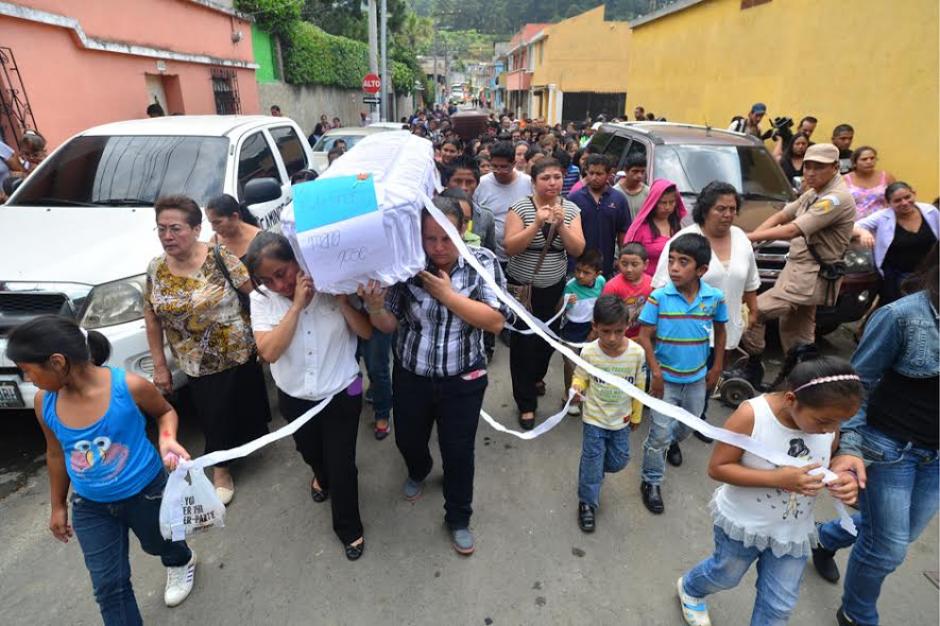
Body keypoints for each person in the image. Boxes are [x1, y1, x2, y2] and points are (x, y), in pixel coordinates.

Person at [7, 316, 197, 623]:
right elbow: (55, 454)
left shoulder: (129, 386)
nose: (28, 379)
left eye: (27, 370)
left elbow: (165, 413)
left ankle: (180, 560)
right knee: (109, 587)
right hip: (89, 507)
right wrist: (57, 506)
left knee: (160, 543)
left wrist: (167, 440)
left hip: (146, 493)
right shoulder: (45, 403)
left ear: (57, 362)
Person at [358, 198, 511, 556]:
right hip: (412, 374)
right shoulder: (407, 267)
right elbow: (389, 323)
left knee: (459, 452)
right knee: (409, 439)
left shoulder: (482, 262)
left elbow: (495, 321)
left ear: (462, 231)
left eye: (447, 237)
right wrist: (375, 306)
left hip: (464, 378)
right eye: (430, 239)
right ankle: (420, 467)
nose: (439, 248)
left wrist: (447, 295)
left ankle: (458, 517)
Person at [677, 356, 863, 626]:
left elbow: (824, 463)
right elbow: (718, 468)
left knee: (779, 606)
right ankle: (691, 589)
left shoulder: (829, 426)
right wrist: (777, 478)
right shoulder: (752, 415)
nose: (831, 430)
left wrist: (840, 478)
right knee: (725, 574)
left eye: (839, 423)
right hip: (744, 523)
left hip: (792, 532)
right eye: (824, 421)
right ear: (791, 400)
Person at [810, 252, 939, 626]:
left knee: (900, 532)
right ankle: (856, 614)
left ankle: (827, 537)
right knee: (887, 549)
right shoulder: (902, 317)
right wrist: (848, 448)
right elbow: (857, 386)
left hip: (937, 456)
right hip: (890, 450)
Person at [246, 233, 372, 560]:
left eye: (283, 272)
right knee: (311, 451)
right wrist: (298, 306)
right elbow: (269, 351)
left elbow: (367, 332)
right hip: (295, 397)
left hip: (343, 390)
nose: (278, 284)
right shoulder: (262, 300)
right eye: (267, 279)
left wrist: (344, 301)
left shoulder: (332, 285)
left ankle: (349, 528)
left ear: (297, 262)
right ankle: (319, 474)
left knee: (342, 464)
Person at [143, 195, 270, 505]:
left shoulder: (219, 257)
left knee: (244, 407)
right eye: (161, 229)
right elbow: (151, 318)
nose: (167, 236)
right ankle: (221, 468)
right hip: (196, 361)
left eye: (175, 228)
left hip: (239, 351)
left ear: (196, 229)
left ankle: (244, 447)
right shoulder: (156, 269)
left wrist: (270, 335)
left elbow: (256, 295)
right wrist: (160, 366)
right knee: (213, 416)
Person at [653, 182, 760, 443]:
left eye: (732, 209)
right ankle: (672, 435)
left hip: (725, 329)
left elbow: (750, 282)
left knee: (710, 379)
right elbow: (661, 286)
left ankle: (698, 416)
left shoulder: (741, 238)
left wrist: (754, 311)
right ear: (705, 209)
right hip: (685, 332)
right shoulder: (685, 240)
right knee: (681, 384)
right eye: (720, 209)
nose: (727, 215)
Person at [741, 144, 856, 377]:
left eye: (819, 167)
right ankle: (804, 379)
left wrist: (748, 237)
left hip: (809, 276)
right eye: (808, 166)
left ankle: (753, 366)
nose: (811, 172)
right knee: (796, 331)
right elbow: (782, 215)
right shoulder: (815, 192)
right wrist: (751, 241)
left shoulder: (835, 199)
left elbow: (791, 230)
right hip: (798, 271)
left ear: (835, 167)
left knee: (753, 312)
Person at [636, 233, 727, 514]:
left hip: (697, 379)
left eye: (683, 262)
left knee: (688, 427)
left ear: (701, 270)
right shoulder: (659, 297)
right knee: (660, 432)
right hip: (666, 380)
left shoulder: (714, 298)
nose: (674, 267)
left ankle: (672, 442)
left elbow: (721, 332)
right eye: (672, 260)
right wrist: (656, 373)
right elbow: (644, 336)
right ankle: (651, 480)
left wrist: (717, 367)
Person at [504, 158, 586, 430]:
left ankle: (536, 376)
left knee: (548, 341)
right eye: (546, 178)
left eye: (557, 177)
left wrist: (561, 225)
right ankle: (526, 403)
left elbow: (577, 250)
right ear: (534, 181)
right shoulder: (521, 208)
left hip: (554, 289)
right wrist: (536, 224)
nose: (552, 182)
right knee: (523, 345)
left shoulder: (571, 209)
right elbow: (510, 248)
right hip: (522, 290)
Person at [571, 296, 646, 533]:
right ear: (594, 326)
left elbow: (640, 386)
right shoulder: (589, 353)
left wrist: (636, 415)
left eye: (618, 331)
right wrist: (576, 388)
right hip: (594, 417)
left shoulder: (636, 353)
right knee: (593, 462)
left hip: (621, 419)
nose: (612, 338)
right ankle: (587, 503)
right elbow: (580, 376)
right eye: (605, 331)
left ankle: (591, 471)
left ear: (627, 325)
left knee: (619, 460)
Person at [853, 181, 939, 305]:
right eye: (897, 200)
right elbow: (852, 227)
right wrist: (863, 232)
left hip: (931, 273)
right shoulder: (882, 217)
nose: (904, 203)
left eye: (907, 197)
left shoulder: (930, 211)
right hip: (901, 277)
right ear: (888, 203)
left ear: (914, 194)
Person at [568, 154, 632, 278]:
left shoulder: (619, 199)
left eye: (599, 174)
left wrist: (622, 260)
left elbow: (623, 234)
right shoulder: (574, 198)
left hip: (605, 269)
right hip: (578, 269)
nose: (594, 177)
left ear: (609, 174)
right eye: (591, 173)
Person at [473, 141, 532, 266]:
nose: (498, 171)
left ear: (513, 164)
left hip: (522, 258)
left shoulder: (528, 182)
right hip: (490, 257)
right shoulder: (481, 184)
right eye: (494, 166)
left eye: (504, 167)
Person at [562, 249, 606, 415]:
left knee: (589, 365)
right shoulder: (570, 286)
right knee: (571, 366)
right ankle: (570, 397)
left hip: (591, 330)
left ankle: (585, 395)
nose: (580, 275)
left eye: (586, 272)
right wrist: (566, 302)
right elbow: (558, 311)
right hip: (571, 331)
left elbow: (602, 303)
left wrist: (596, 330)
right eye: (577, 270)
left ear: (597, 274)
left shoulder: (601, 282)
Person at [623, 179, 688, 276]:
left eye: (672, 202)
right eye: (663, 203)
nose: (668, 207)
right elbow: (628, 260)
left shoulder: (678, 226)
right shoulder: (641, 229)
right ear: (653, 203)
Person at [603, 243, 653, 338]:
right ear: (618, 263)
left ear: (645, 264)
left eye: (634, 264)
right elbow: (605, 314)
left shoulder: (651, 284)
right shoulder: (612, 286)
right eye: (624, 264)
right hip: (618, 337)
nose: (629, 269)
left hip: (643, 335)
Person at [843, 146, 896, 220]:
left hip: (882, 222)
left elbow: (896, 198)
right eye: (864, 159)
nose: (869, 162)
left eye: (872, 158)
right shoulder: (844, 180)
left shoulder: (886, 177)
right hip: (855, 225)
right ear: (854, 163)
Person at [205, 194, 261, 263]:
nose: (213, 228)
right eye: (211, 223)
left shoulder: (260, 240)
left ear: (234, 217)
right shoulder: (215, 241)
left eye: (217, 222)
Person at [611, 152, 650, 220]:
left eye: (642, 172)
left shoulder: (648, 193)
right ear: (626, 170)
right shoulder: (615, 192)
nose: (639, 176)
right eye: (635, 171)